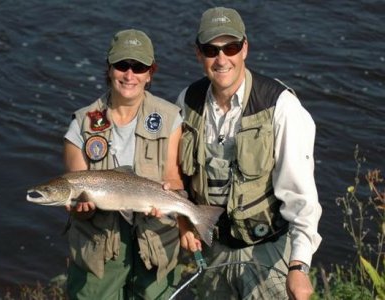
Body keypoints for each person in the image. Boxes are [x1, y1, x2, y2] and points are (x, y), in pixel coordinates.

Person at [176, 7, 322, 300]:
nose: (221, 59)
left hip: (267, 253)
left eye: (230, 47)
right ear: (198, 53)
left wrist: (299, 265)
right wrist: (183, 222)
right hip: (212, 251)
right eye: (210, 49)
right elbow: (176, 176)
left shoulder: (281, 107)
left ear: (245, 48)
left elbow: (302, 198)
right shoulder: (185, 101)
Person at [63, 29, 184, 299]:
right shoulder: (80, 124)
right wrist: (80, 210)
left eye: (139, 67)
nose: (129, 75)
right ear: (109, 68)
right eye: (122, 65)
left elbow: (174, 180)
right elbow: (74, 202)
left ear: (150, 73)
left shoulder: (170, 118)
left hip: (155, 242)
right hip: (99, 249)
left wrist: (169, 193)